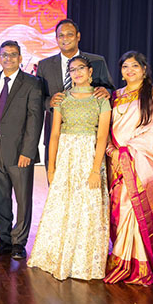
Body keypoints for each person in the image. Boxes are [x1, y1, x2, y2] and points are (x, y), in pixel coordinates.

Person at [27, 55, 111, 280]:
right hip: (66, 157)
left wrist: (96, 170)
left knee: (88, 206)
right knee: (62, 205)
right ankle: (55, 257)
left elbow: (102, 136)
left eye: (81, 68)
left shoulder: (101, 99)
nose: (77, 73)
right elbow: (54, 134)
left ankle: (82, 262)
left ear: (90, 72)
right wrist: (51, 168)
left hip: (89, 156)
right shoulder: (62, 99)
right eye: (72, 70)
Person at [104, 51, 153, 286]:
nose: (129, 70)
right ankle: (120, 259)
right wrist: (112, 151)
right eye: (125, 67)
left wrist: (127, 153)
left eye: (134, 66)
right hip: (115, 162)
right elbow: (107, 128)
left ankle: (138, 265)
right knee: (119, 212)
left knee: (134, 209)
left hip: (140, 163)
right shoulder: (115, 96)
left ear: (144, 69)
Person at [0, 40, 43, 260]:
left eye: (12, 54)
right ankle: (5, 239)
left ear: (20, 58)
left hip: (20, 151)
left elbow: (34, 119)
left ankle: (19, 241)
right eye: (4, 54)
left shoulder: (32, 83)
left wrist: (28, 152)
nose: (8, 58)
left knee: (22, 198)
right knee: (0, 197)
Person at [37, 19, 114, 165]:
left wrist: (107, 91)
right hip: (55, 136)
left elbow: (110, 89)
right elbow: (37, 98)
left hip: (89, 138)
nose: (65, 38)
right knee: (54, 177)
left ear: (78, 36)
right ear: (56, 39)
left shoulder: (97, 61)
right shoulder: (44, 65)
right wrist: (49, 102)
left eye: (70, 34)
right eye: (61, 35)